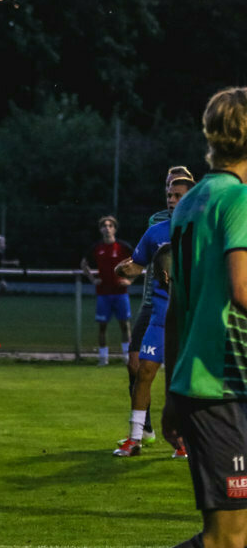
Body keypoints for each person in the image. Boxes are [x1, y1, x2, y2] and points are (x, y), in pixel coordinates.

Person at [68, 86, 247, 548]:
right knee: (226, 540)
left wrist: (170, 400)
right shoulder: (235, 200)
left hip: (206, 382)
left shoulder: (190, 204)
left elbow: (176, 307)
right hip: (223, 385)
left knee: (244, 540)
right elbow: (242, 290)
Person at [112, 174, 195, 457]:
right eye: (170, 196)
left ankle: (183, 441)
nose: (172, 201)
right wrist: (125, 269)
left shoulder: (207, 231)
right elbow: (137, 264)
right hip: (160, 318)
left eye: (178, 196)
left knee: (185, 382)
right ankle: (135, 438)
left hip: (192, 321)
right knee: (143, 372)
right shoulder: (156, 233)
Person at [80, 216, 134, 366]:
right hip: (103, 293)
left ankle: (127, 357)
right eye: (104, 226)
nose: (107, 228)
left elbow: (138, 262)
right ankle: (103, 358)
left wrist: (130, 280)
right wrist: (92, 279)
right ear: (100, 229)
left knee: (125, 325)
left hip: (121, 293)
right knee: (102, 326)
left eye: (110, 226)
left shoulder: (123, 247)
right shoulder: (97, 248)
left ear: (115, 229)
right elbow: (83, 264)